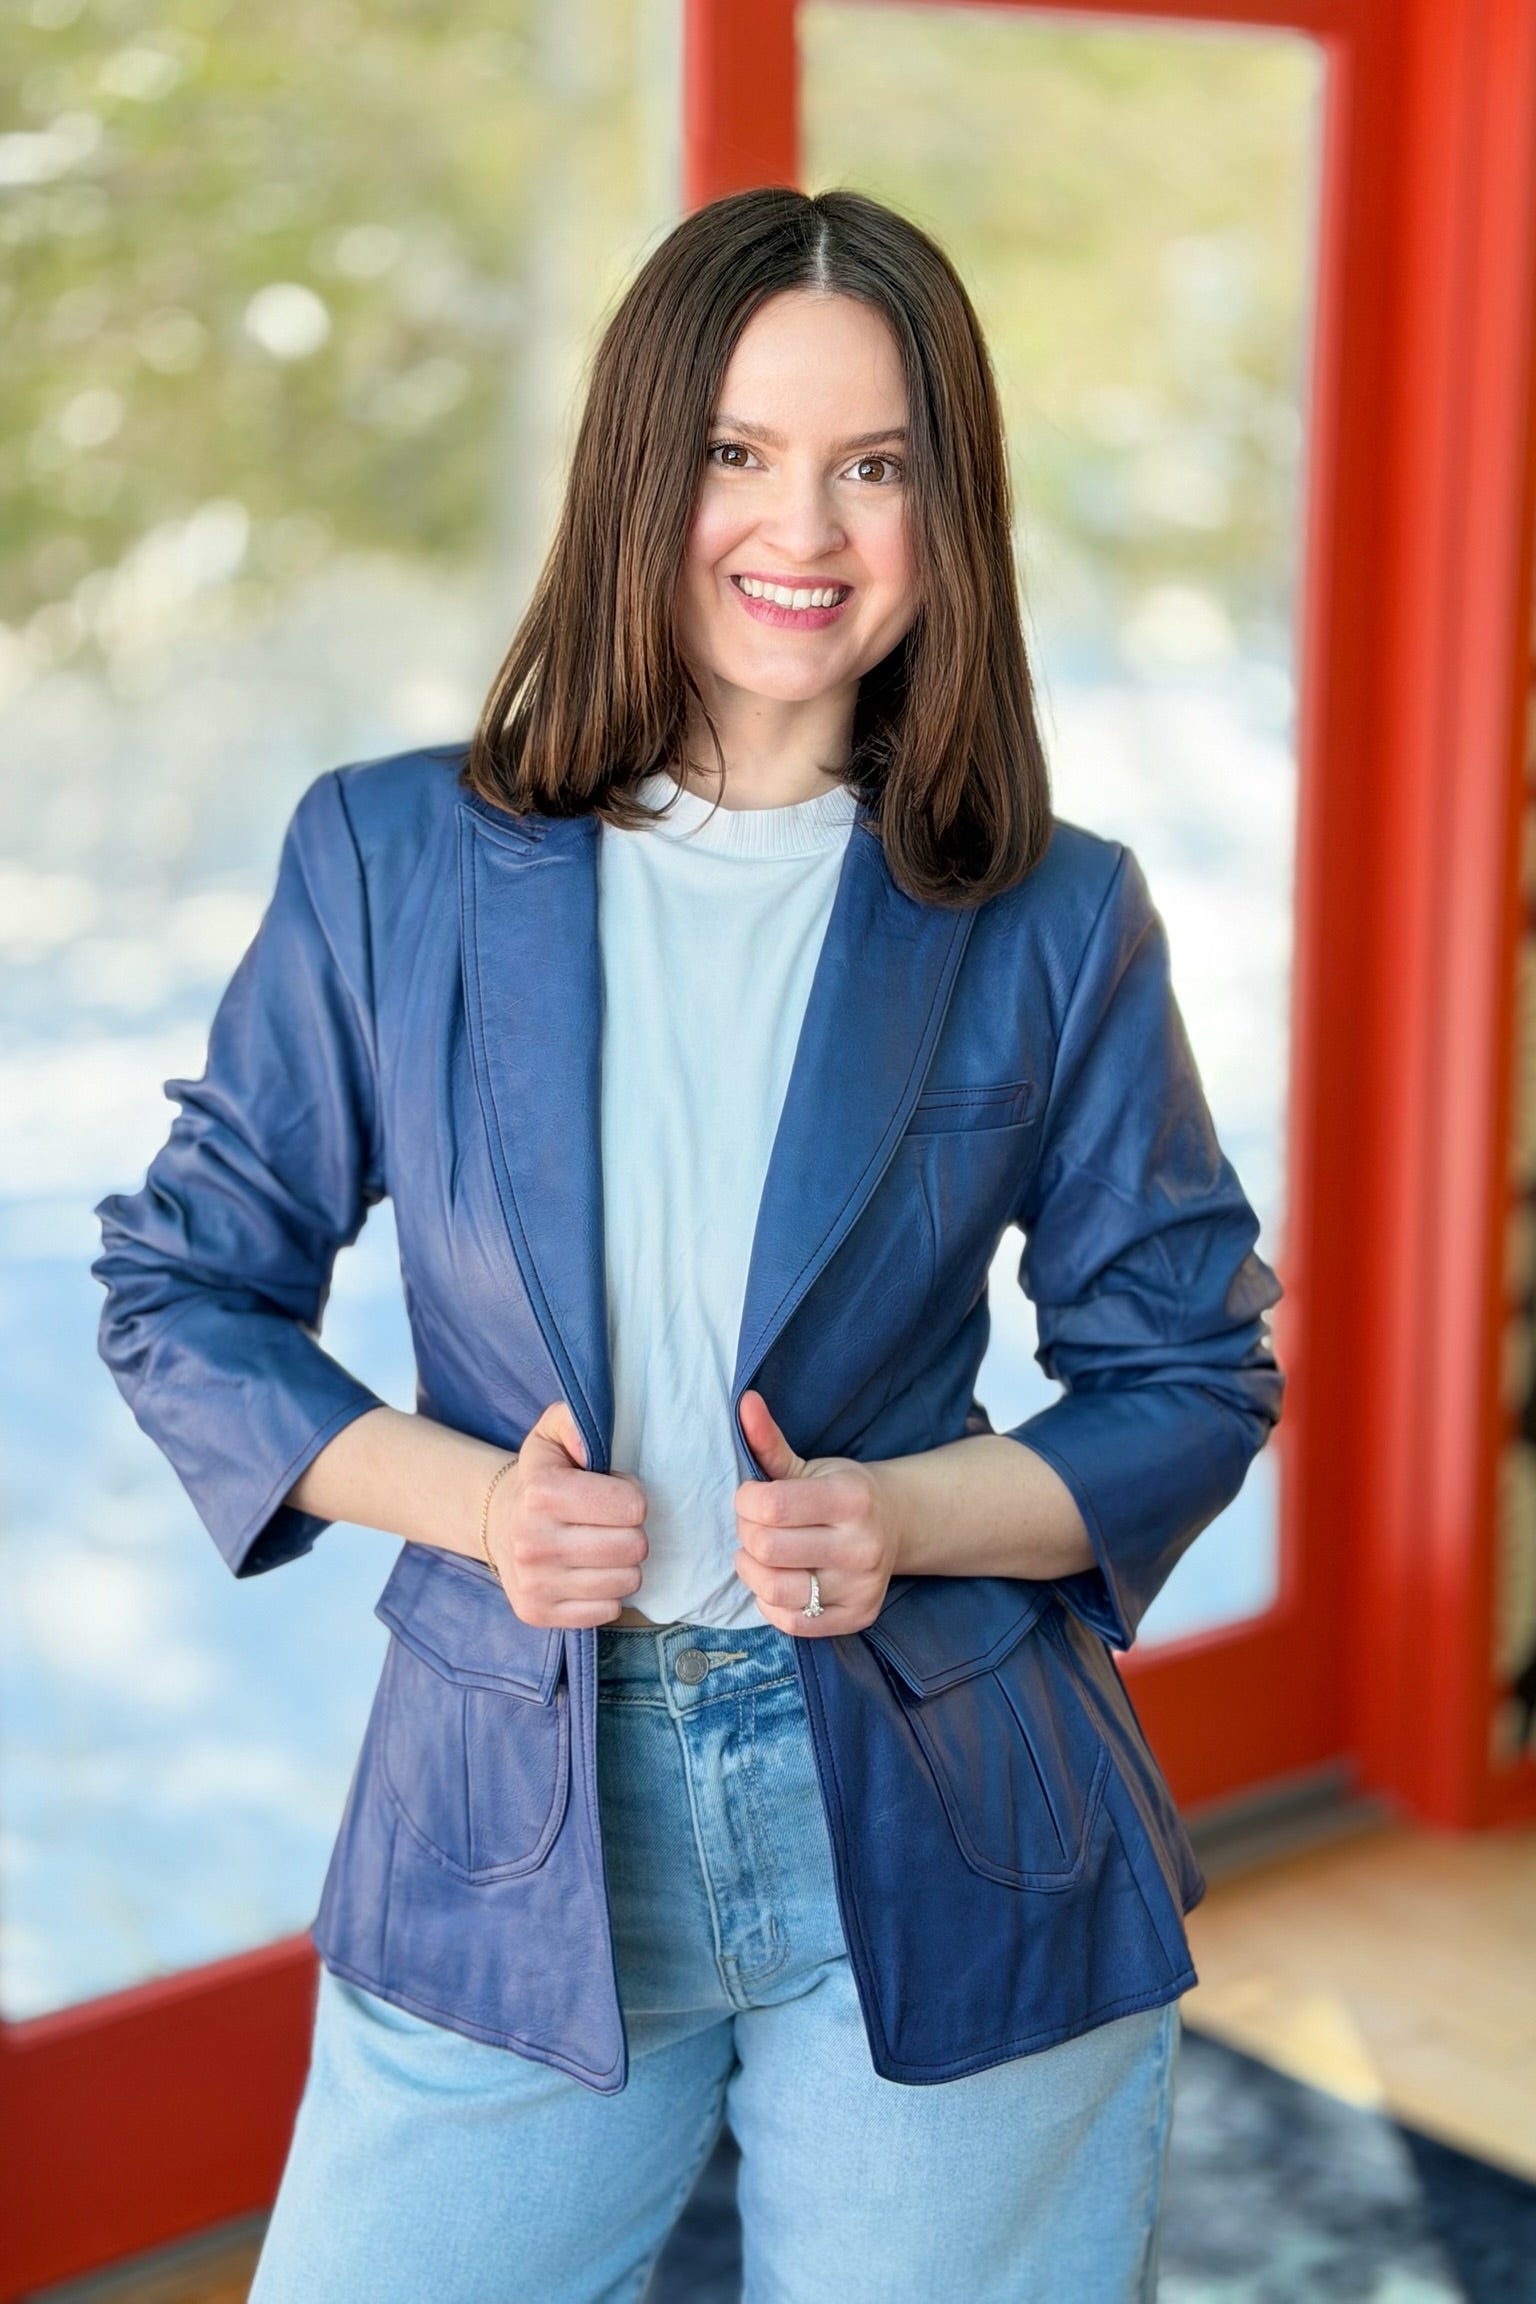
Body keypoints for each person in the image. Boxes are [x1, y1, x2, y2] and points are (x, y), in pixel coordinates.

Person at [93, 187, 1283, 2303]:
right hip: (512, 1812)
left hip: (959, 1818)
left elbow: (1190, 1373)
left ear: (950, 508)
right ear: (642, 471)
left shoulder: (1054, 913)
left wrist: (899, 1511)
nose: (801, 527)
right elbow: (184, 1291)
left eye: (875, 463)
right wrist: (470, 1505)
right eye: (737, 451)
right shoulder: (387, 858)